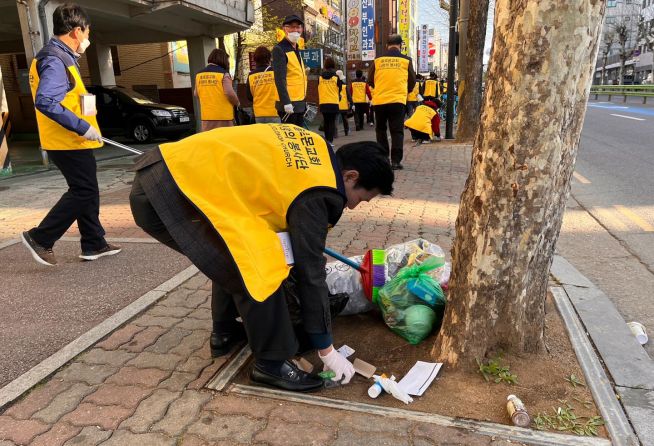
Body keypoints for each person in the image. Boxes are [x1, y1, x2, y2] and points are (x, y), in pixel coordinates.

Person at [129, 123, 394, 392]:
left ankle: (224, 333)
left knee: (232, 252)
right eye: (360, 199)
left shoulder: (320, 153)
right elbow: (310, 271)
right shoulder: (319, 191)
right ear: (350, 176)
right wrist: (326, 349)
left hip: (168, 172)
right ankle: (270, 363)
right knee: (257, 265)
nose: (351, 206)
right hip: (170, 193)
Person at [21, 3, 121, 266]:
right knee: (84, 190)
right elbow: (46, 101)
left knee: (86, 189)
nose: (87, 38)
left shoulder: (60, 56)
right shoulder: (55, 60)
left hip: (72, 140)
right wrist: (82, 126)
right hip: (66, 140)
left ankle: (94, 242)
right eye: (87, 33)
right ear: (77, 30)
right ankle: (41, 238)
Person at [368, 34, 416, 170]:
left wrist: (380, 87)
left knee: (381, 130)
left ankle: (383, 160)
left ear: (387, 45)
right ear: (400, 45)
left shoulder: (378, 60)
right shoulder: (406, 60)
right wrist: (404, 90)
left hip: (380, 100)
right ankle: (395, 161)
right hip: (397, 100)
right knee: (397, 131)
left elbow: (370, 80)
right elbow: (412, 81)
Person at [272, 15, 308, 126]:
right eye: (292, 27)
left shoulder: (296, 48)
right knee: (291, 139)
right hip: (289, 104)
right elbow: (279, 78)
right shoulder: (279, 49)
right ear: (284, 28)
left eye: (298, 27)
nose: (296, 30)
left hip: (299, 101)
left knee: (299, 136)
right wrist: (286, 102)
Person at [194, 48, 239, 131]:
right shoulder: (224, 74)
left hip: (206, 117)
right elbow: (229, 93)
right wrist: (237, 102)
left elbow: (196, 93)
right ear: (223, 60)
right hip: (223, 117)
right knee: (224, 140)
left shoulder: (199, 75)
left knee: (210, 141)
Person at [246, 46, 279, 123]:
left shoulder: (251, 75)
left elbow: (249, 97)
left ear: (255, 59)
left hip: (259, 114)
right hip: (275, 112)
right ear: (269, 58)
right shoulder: (275, 72)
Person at [318, 57, 342, 144]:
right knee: (332, 122)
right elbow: (339, 89)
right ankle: (330, 140)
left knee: (326, 121)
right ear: (333, 65)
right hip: (333, 102)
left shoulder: (320, 77)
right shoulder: (336, 77)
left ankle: (327, 140)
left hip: (323, 102)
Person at [336, 70, 351, 137]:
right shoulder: (345, 86)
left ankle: (335, 134)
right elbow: (348, 96)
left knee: (335, 119)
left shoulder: (334, 85)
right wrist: (351, 103)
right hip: (344, 105)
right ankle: (346, 131)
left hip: (336, 104)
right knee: (345, 119)